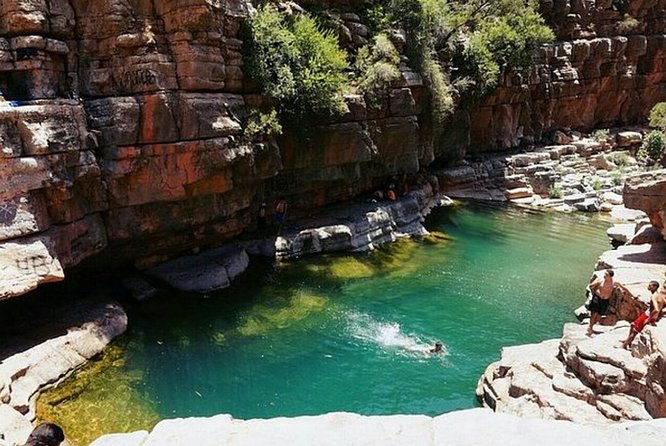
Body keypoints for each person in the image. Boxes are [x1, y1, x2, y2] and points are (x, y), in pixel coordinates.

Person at [620, 281, 666, 350]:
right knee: (632, 325)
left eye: (650, 286)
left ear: (655, 287)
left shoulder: (654, 296)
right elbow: (661, 308)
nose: (648, 286)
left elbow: (656, 309)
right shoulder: (660, 296)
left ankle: (624, 346)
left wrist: (649, 319)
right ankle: (628, 341)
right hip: (649, 314)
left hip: (648, 315)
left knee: (635, 331)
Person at [586, 269, 627, 336]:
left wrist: (630, 294)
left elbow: (623, 288)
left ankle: (591, 326)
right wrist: (595, 288)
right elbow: (591, 286)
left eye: (606, 275)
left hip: (605, 300)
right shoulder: (600, 280)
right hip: (597, 298)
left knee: (599, 315)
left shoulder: (614, 283)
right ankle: (590, 328)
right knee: (594, 313)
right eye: (604, 274)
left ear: (610, 277)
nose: (604, 276)